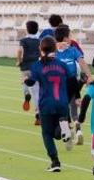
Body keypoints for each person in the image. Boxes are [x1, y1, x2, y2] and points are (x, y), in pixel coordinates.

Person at [24, 37, 75, 172]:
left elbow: (31, 82)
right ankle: (63, 127)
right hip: (62, 102)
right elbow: (71, 81)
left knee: (47, 133)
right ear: (54, 48)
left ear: (41, 49)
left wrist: (25, 80)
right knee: (56, 133)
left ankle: (55, 161)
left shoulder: (37, 65)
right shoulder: (62, 64)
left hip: (46, 103)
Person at [54, 24, 86, 141]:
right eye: (70, 35)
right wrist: (87, 75)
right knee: (73, 107)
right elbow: (82, 60)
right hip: (73, 81)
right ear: (65, 37)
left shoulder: (55, 50)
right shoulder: (73, 48)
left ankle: (67, 131)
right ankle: (78, 129)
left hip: (61, 84)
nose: (71, 37)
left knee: (63, 108)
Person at [17, 20, 42, 112]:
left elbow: (20, 51)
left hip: (25, 65)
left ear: (27, 30)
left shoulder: (23, 40)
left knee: (24, 80)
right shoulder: (39, 41)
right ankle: (38, 112)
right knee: (36, 90)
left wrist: (19, 61)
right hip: (36, 66)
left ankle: (26, 93)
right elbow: (41, 52)